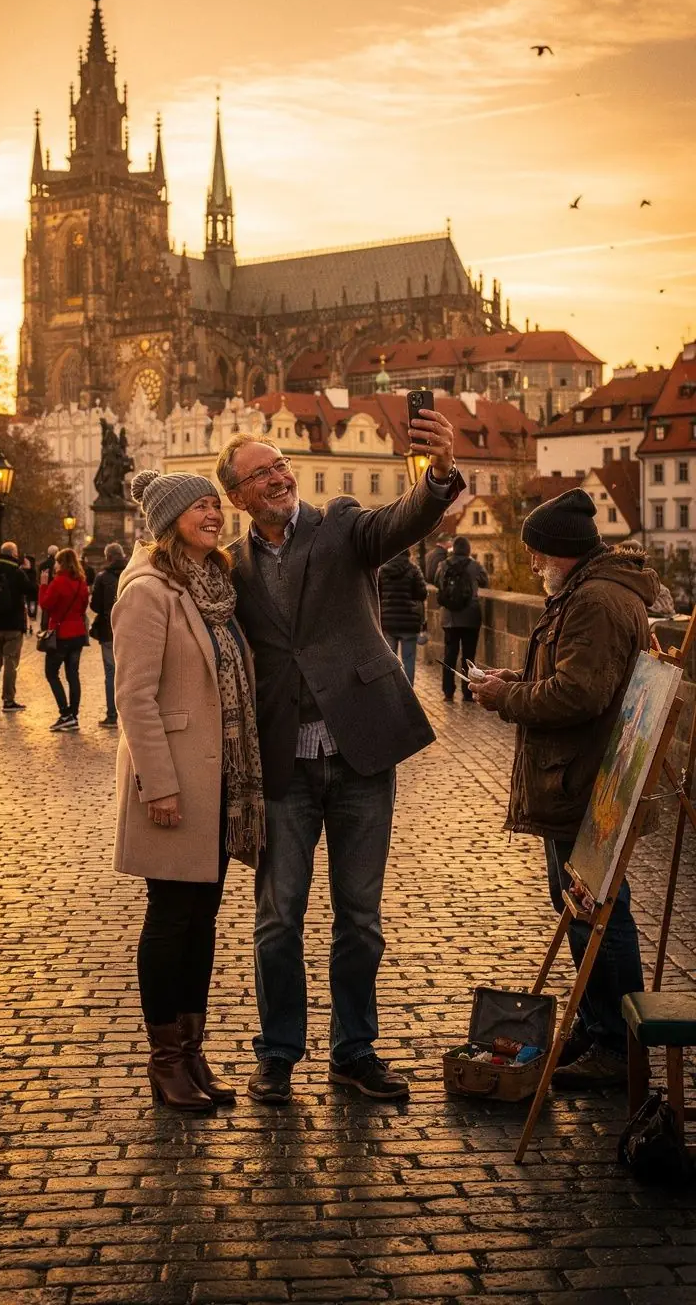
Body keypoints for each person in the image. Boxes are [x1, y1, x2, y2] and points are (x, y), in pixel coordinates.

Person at [216, 406, 461, 1104]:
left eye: (279, 465)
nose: (277, 477)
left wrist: (439, 473)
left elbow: (405, 519)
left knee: (360, 917)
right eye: (259, 474)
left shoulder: (341, 526)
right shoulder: (228, 568)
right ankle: (279, 1053)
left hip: (358, 754)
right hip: (282, 767)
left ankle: (354, 1050)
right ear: (237, 497)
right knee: (277, 919)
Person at [470, 489, 657, 1087]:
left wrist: (507, 698)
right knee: (583, 909)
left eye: (536, 554)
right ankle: (600, 1026)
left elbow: (580, 694)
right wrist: (517, 678)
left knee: (600, 913)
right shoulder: (584, 592)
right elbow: (569, 674)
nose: (532, 565)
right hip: (576, 776)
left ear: (562, 552)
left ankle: (618, 1043)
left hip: (586, 779)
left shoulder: (597, 601)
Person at [112, 470, 265, 1112]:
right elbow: (134, 697)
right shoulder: (149, 590)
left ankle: (192, 1046)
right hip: (173, 780)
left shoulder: (215, 585)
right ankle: (165, 1059)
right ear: (170, 520)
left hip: (218, 778)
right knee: (172, 920)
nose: (213, 514)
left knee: (201, 921)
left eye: (214, 505)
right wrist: (159, 784)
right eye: (199, 507)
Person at [38, 547, 90, 730]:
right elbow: (84, 606)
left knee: (51, 673)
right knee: (73, 675)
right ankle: (73, 715)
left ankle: (65, 713)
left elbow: (45, 603)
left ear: (61, 563)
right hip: (78, 634)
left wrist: (43, 584)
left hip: (61, 634)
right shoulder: (81, 583)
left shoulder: (58, 582)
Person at [435, 536, 488, 703]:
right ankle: (467, 692)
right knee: (468, 656)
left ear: (454, 549)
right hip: (470, 616)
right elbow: (485, 582)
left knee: (450, 654)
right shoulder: (475, 565)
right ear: (468, 550)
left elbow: (437, 582)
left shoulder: (444, 564)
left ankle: (448, 692)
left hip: (449, 617)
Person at [0, 542, 35, 712]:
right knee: (10, 662)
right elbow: (32, 591)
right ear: (13, 553)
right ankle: (8, 699)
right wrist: (29, 571)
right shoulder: (16, 571)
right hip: (13, 623)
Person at [89, 542, 126, 727]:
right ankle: (130, 716)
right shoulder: (133, 574)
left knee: (111, 673)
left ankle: (112, 715)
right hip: (132, 631)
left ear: (108, 558)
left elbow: (94, 605)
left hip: (109, 630)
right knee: (132, 673)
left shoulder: (102, 577)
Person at [378, 548, 427, 684]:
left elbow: (376, 594)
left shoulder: (382, 571)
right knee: (409, 660)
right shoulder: (414, 570)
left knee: (388, 660)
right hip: (409, 622)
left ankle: (391, 690)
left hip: (388, 622)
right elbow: (422, 594)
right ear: (408, 554)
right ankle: (409, 691)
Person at [38, 545, 59, 630]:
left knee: (45, 610)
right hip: (55, 589)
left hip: (46, 588)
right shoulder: (58, 564)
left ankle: (44, 627)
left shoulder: (43, 565)